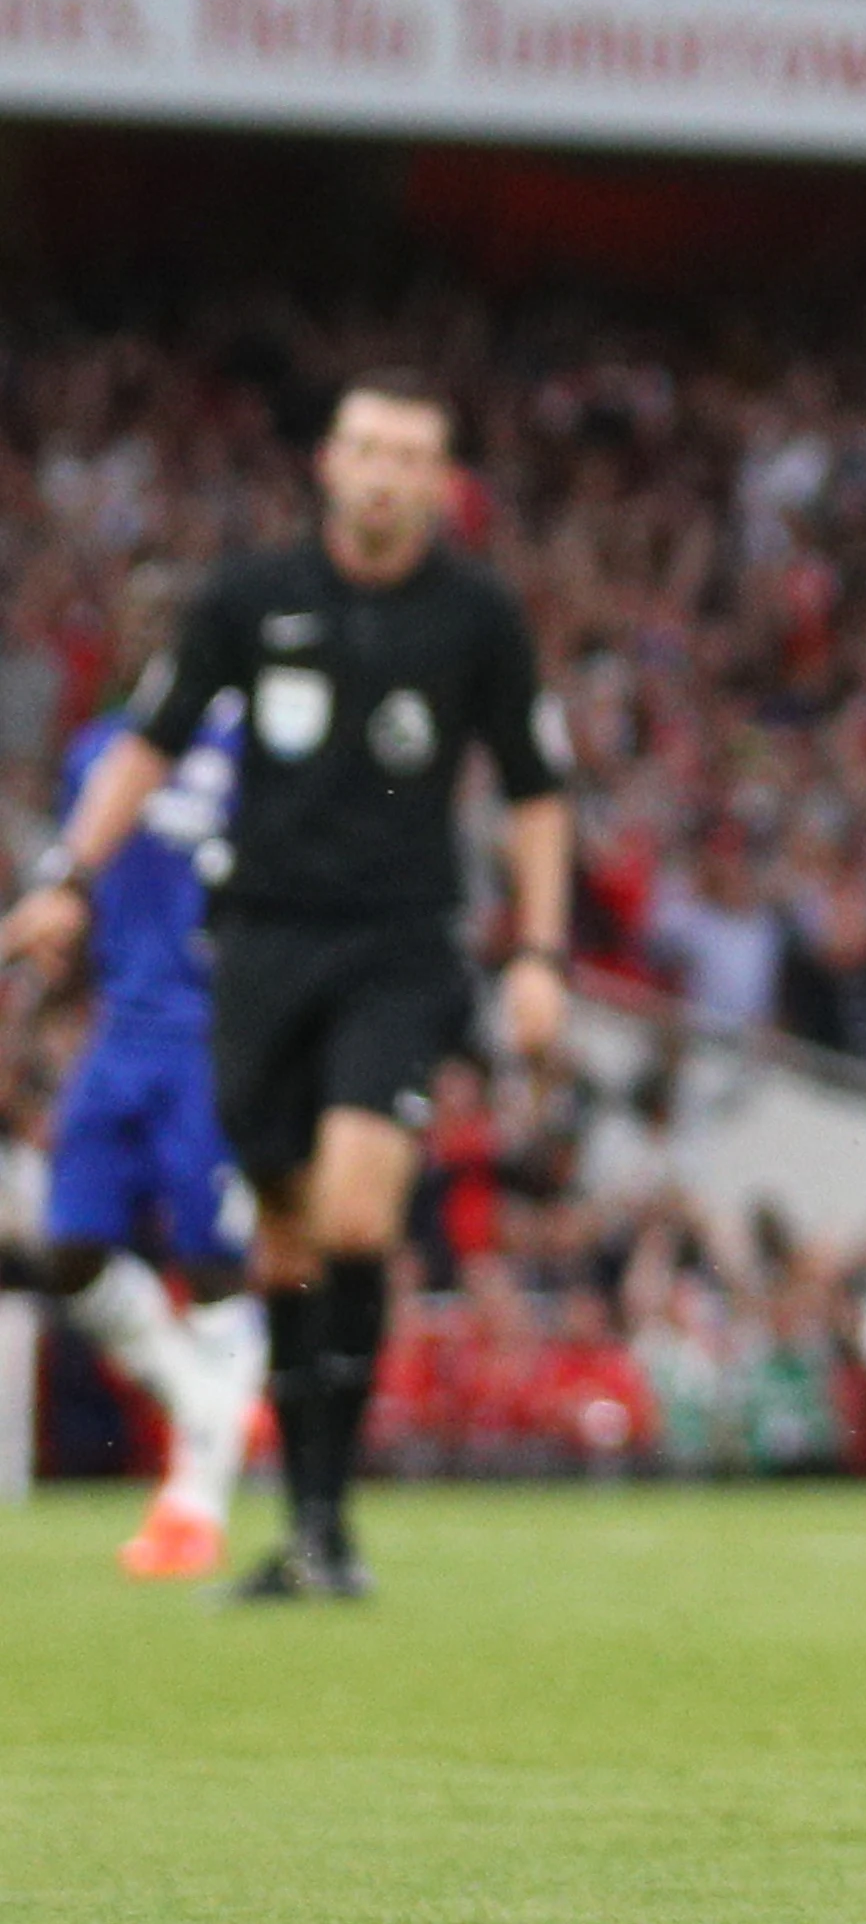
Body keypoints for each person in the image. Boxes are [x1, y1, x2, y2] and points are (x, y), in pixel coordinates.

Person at [9, 372, 573, 1600]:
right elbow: (148, 747)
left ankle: (325, 1522)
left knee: (360, 1216)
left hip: (398, 947)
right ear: (329, 462)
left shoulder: (477, 617)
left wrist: (537, 955)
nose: (382, 473)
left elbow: (536, 789)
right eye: (364, 448)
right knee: (282, 1239)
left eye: (409, 455)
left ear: (440, 481)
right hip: (260, 947)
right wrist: (66, 878)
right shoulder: (250, 601)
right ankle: (307, 1530)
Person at [3, 679, 269, 1577]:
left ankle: (195, 1503)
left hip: (214, 1030)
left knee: (213, 1263)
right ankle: (202, 1395)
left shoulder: (256, 748)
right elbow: (86, 887)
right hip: (121, 1027)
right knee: (70, 1250)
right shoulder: (100, 750)